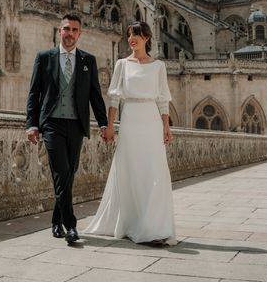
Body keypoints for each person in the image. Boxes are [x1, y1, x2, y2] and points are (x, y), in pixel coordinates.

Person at [84, 21, 176, 245]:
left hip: (151, 121)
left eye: (136, 34)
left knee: (154, 173)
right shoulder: (122, 64)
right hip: (130, 120)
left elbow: (163, 100)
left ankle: (153, 226)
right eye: (129, 35)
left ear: (146, 37)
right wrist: (110, 127)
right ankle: (132, 223)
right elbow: (114, 98)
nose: (131, 38)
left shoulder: (159, 66)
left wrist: (166, 126)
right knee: (130, 171)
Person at [26, 13, 110, 244]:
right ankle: (71, 226)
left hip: (76, 124)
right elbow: (34, 93)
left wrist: (103, 123)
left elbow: (95, 94)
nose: (70, 33)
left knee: (68, 176)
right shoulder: (45, 57)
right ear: (59, 31)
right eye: (66, 29)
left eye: (74, 30)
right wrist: (31, 124)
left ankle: (56, 220)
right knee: (61, 172)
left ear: (79, 34)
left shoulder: (87, 60)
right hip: (51, 123)